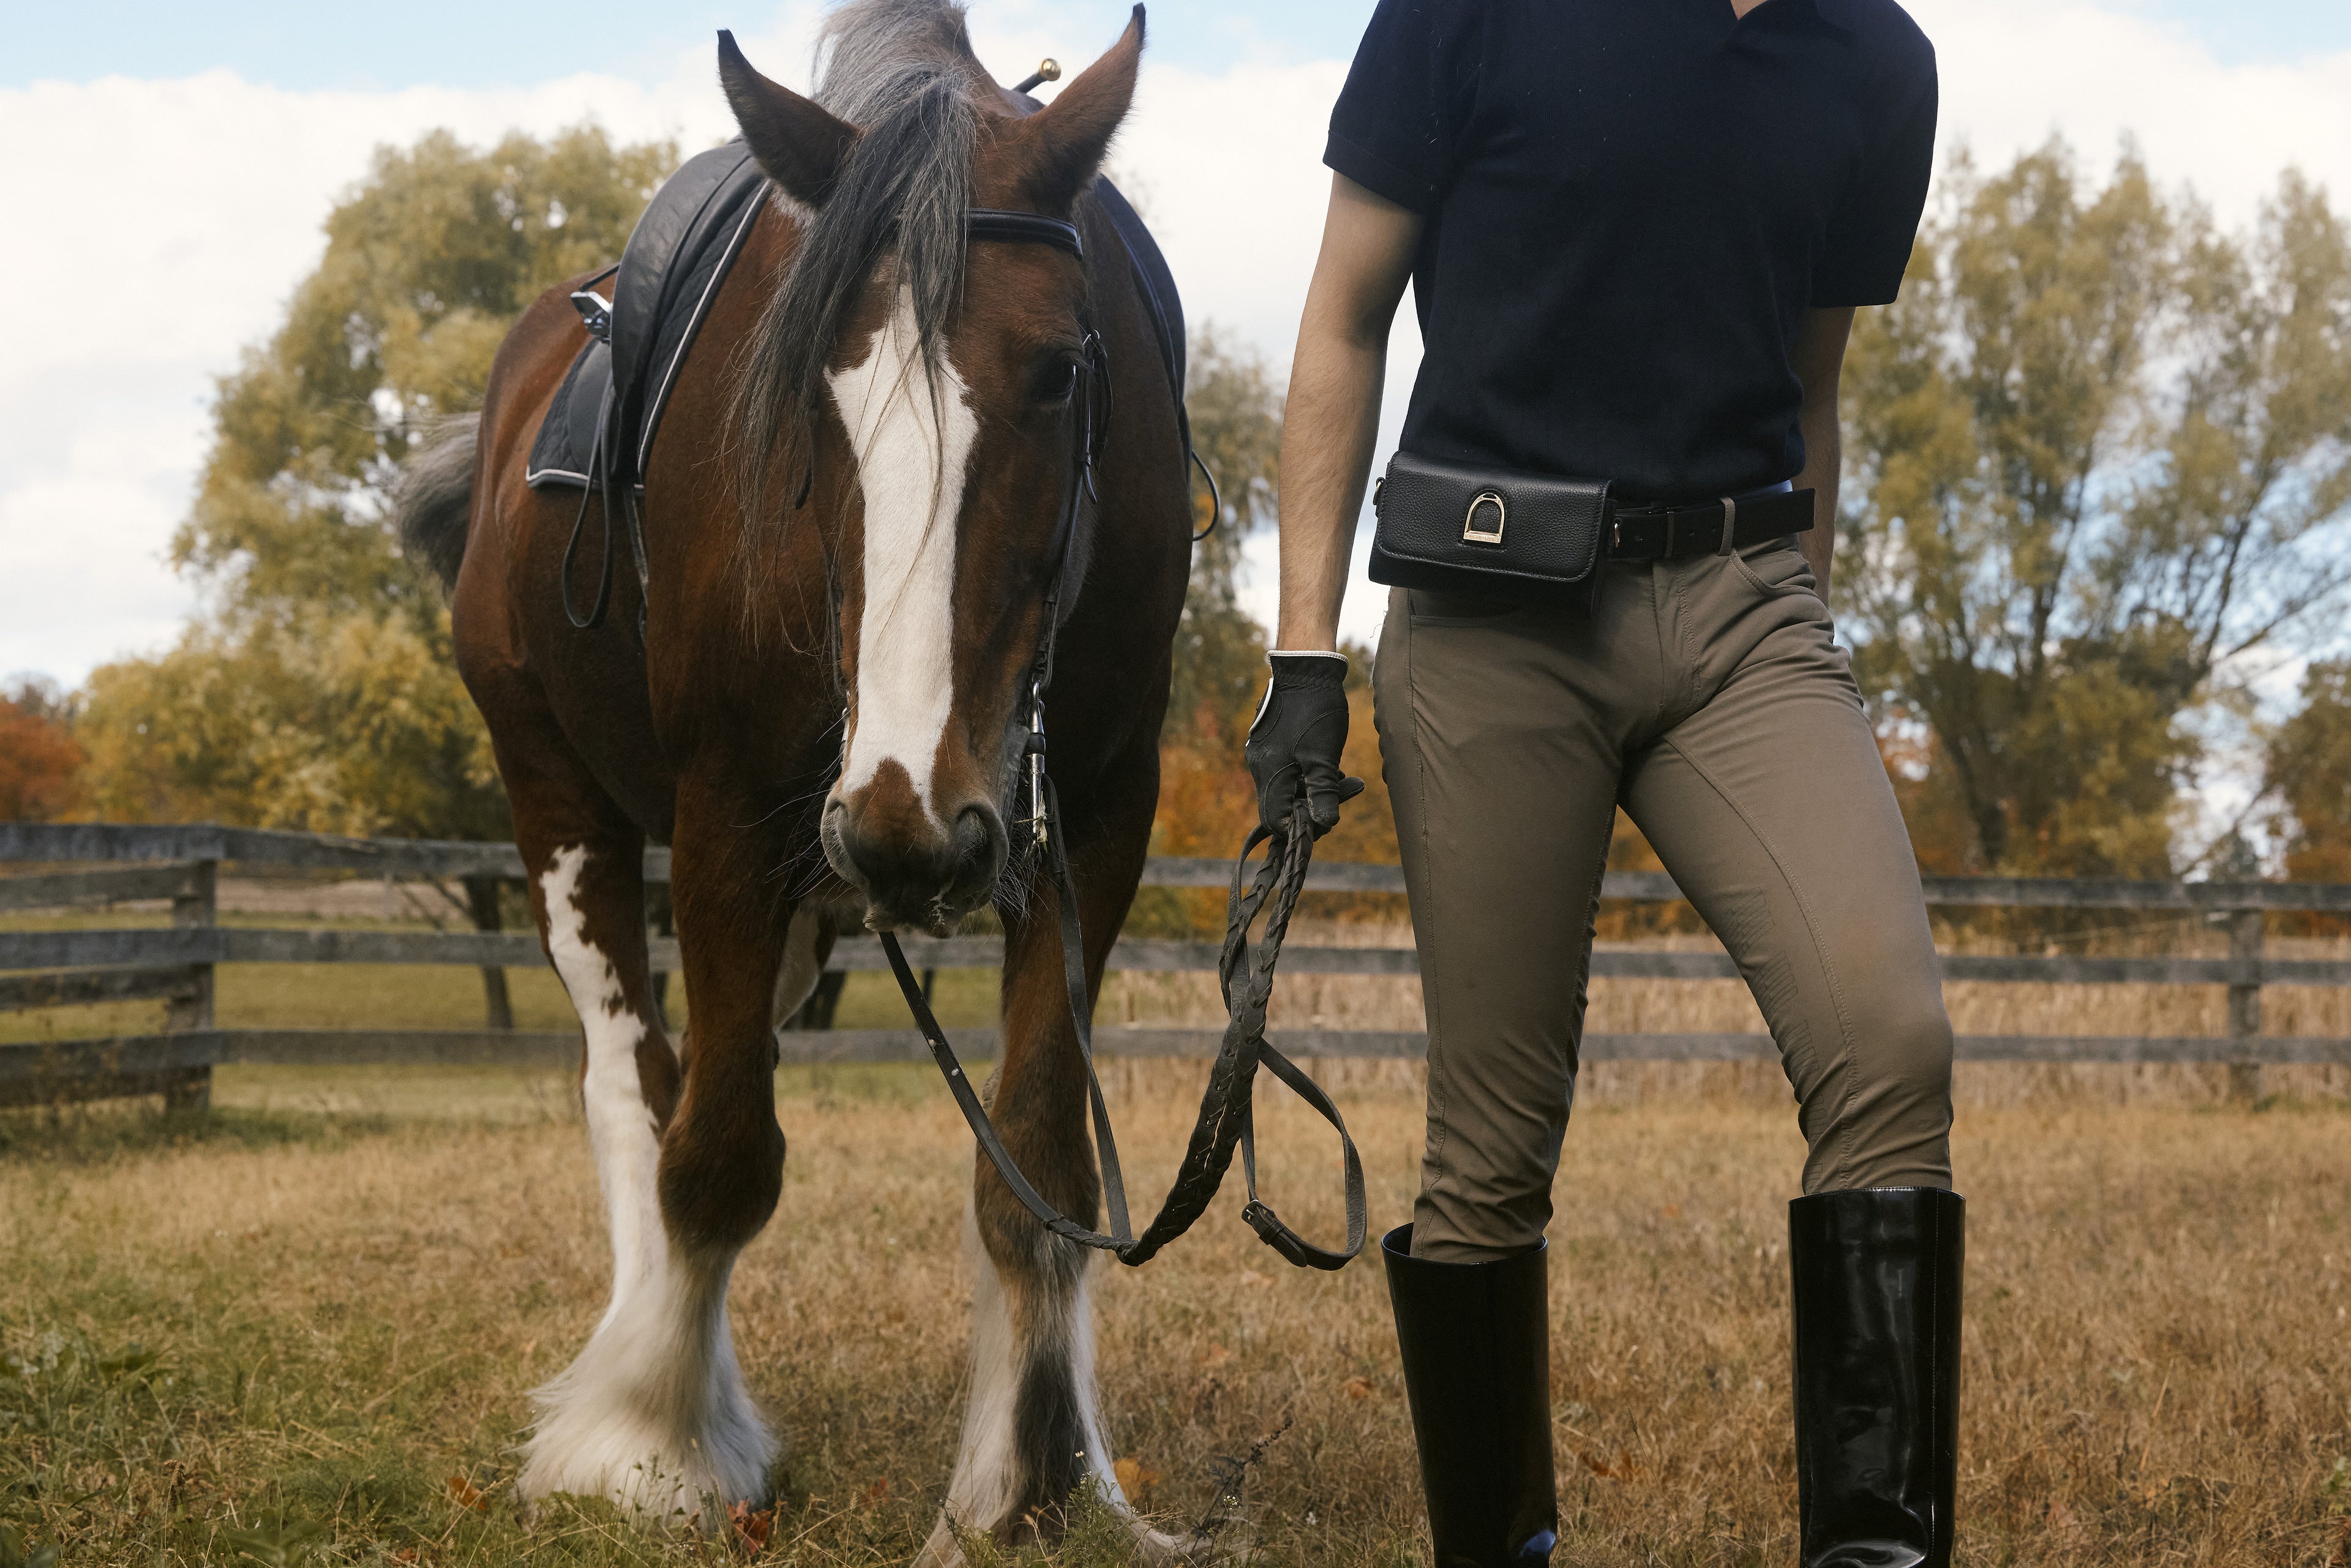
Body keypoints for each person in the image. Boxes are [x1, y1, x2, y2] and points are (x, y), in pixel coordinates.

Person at [1245, 1, 1963, 1562]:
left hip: (1742, 611)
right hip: (1497, 618)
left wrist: (1804, 615)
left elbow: (1812, 379)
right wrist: (1303, 655)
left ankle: (1878, 1549)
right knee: (1494, 1147)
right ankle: (1502, 1547)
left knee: (1890, 1043)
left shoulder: (1881, 66)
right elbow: (1345, 316)